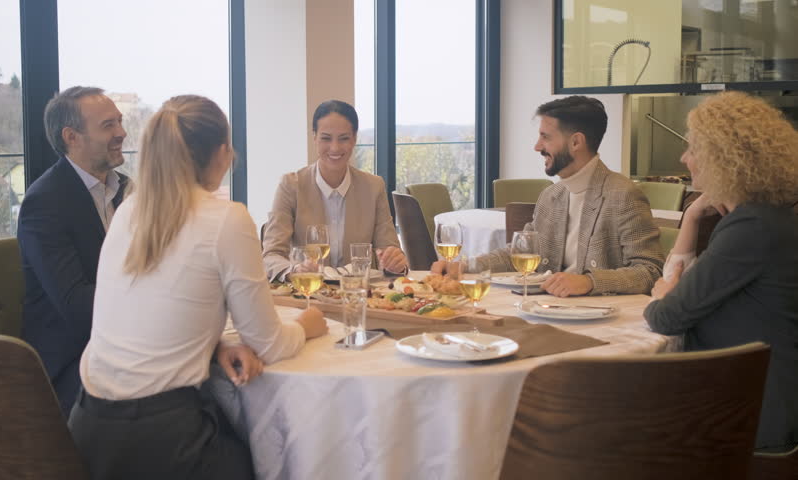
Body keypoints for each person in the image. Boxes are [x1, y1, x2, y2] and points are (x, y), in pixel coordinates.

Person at [68, 95, 327, 479]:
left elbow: (150, 314)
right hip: (165, 442)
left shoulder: (128, 212)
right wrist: (308, 324)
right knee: (282, 459)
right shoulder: (227, 218)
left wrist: (216, 346)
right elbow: (269, 345)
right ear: (223, 153)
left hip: (88, 430)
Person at [645, 91, 798, 452]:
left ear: (724, 158)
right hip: (766, 398)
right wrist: (694, 214)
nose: (685, 159)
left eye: (693, 149)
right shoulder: (769, 219)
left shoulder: (751, 228)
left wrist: (664, 293)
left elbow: (666, 317)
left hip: (749, 415)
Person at [434, 95, 663, 296]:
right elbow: (519, 254)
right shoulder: (551, 196)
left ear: (576, 142)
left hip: (601, 318)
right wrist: (465, 266)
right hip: (547, 309)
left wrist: (589, 282)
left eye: (546, 137)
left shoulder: (623, 195)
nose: (537, 146)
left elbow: (650, 271)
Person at [18, 86, 129, 415]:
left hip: (122, 342)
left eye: (120, 122)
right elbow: (77, 306)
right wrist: (152, 296)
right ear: (72, 137)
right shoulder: (45, 203)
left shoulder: (126, 190)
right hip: (72, 361)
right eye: (108, 125)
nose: (121, 133)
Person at [261, 100, 407, 280]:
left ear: (354, 139)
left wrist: (395, 261)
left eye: (344, 138)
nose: (335, 147)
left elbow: (389, 251)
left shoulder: (374, 187)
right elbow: (270, 255)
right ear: (314, 137)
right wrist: (295, 269)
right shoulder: (291, 185)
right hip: (309, 293)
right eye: (326, 138)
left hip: (359, 295)